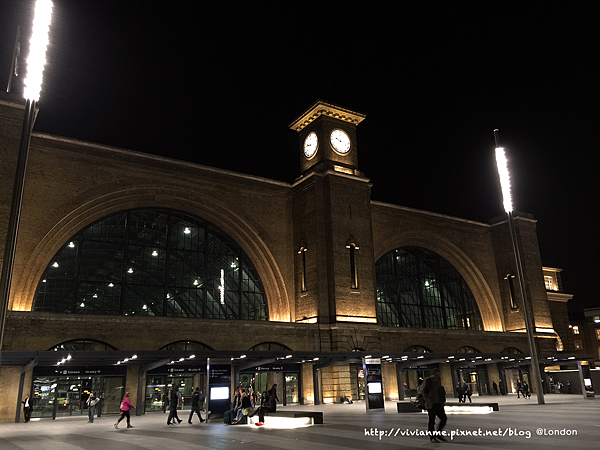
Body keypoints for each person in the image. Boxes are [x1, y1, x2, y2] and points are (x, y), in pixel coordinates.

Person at [422, 368, 447, 442]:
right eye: (436, 373)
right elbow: (423, 391)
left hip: (438, 403)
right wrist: (427, 399)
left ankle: (439, 433)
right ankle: (432, 436)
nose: (438, 375)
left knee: (443, 418)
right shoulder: (428, 380)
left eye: (438, 374)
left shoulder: (438, 380)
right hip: (431, 403)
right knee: (432, 420)